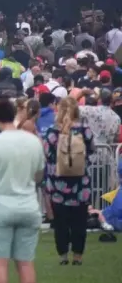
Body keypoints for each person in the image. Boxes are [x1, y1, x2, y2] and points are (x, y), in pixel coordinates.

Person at [0, 100, 44, 283]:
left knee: (0, 263)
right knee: (25, 263)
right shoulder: (33, 141)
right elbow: (38, 175)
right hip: (28, 206)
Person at [42, 97, 94, 266]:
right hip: (81, 184)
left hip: (58, 184)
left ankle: (63, 255)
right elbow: (92, 151)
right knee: (79, 221)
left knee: (61, 222)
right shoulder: (84, 129)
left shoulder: (52, 131)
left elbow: (47, 154)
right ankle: (78, 256)